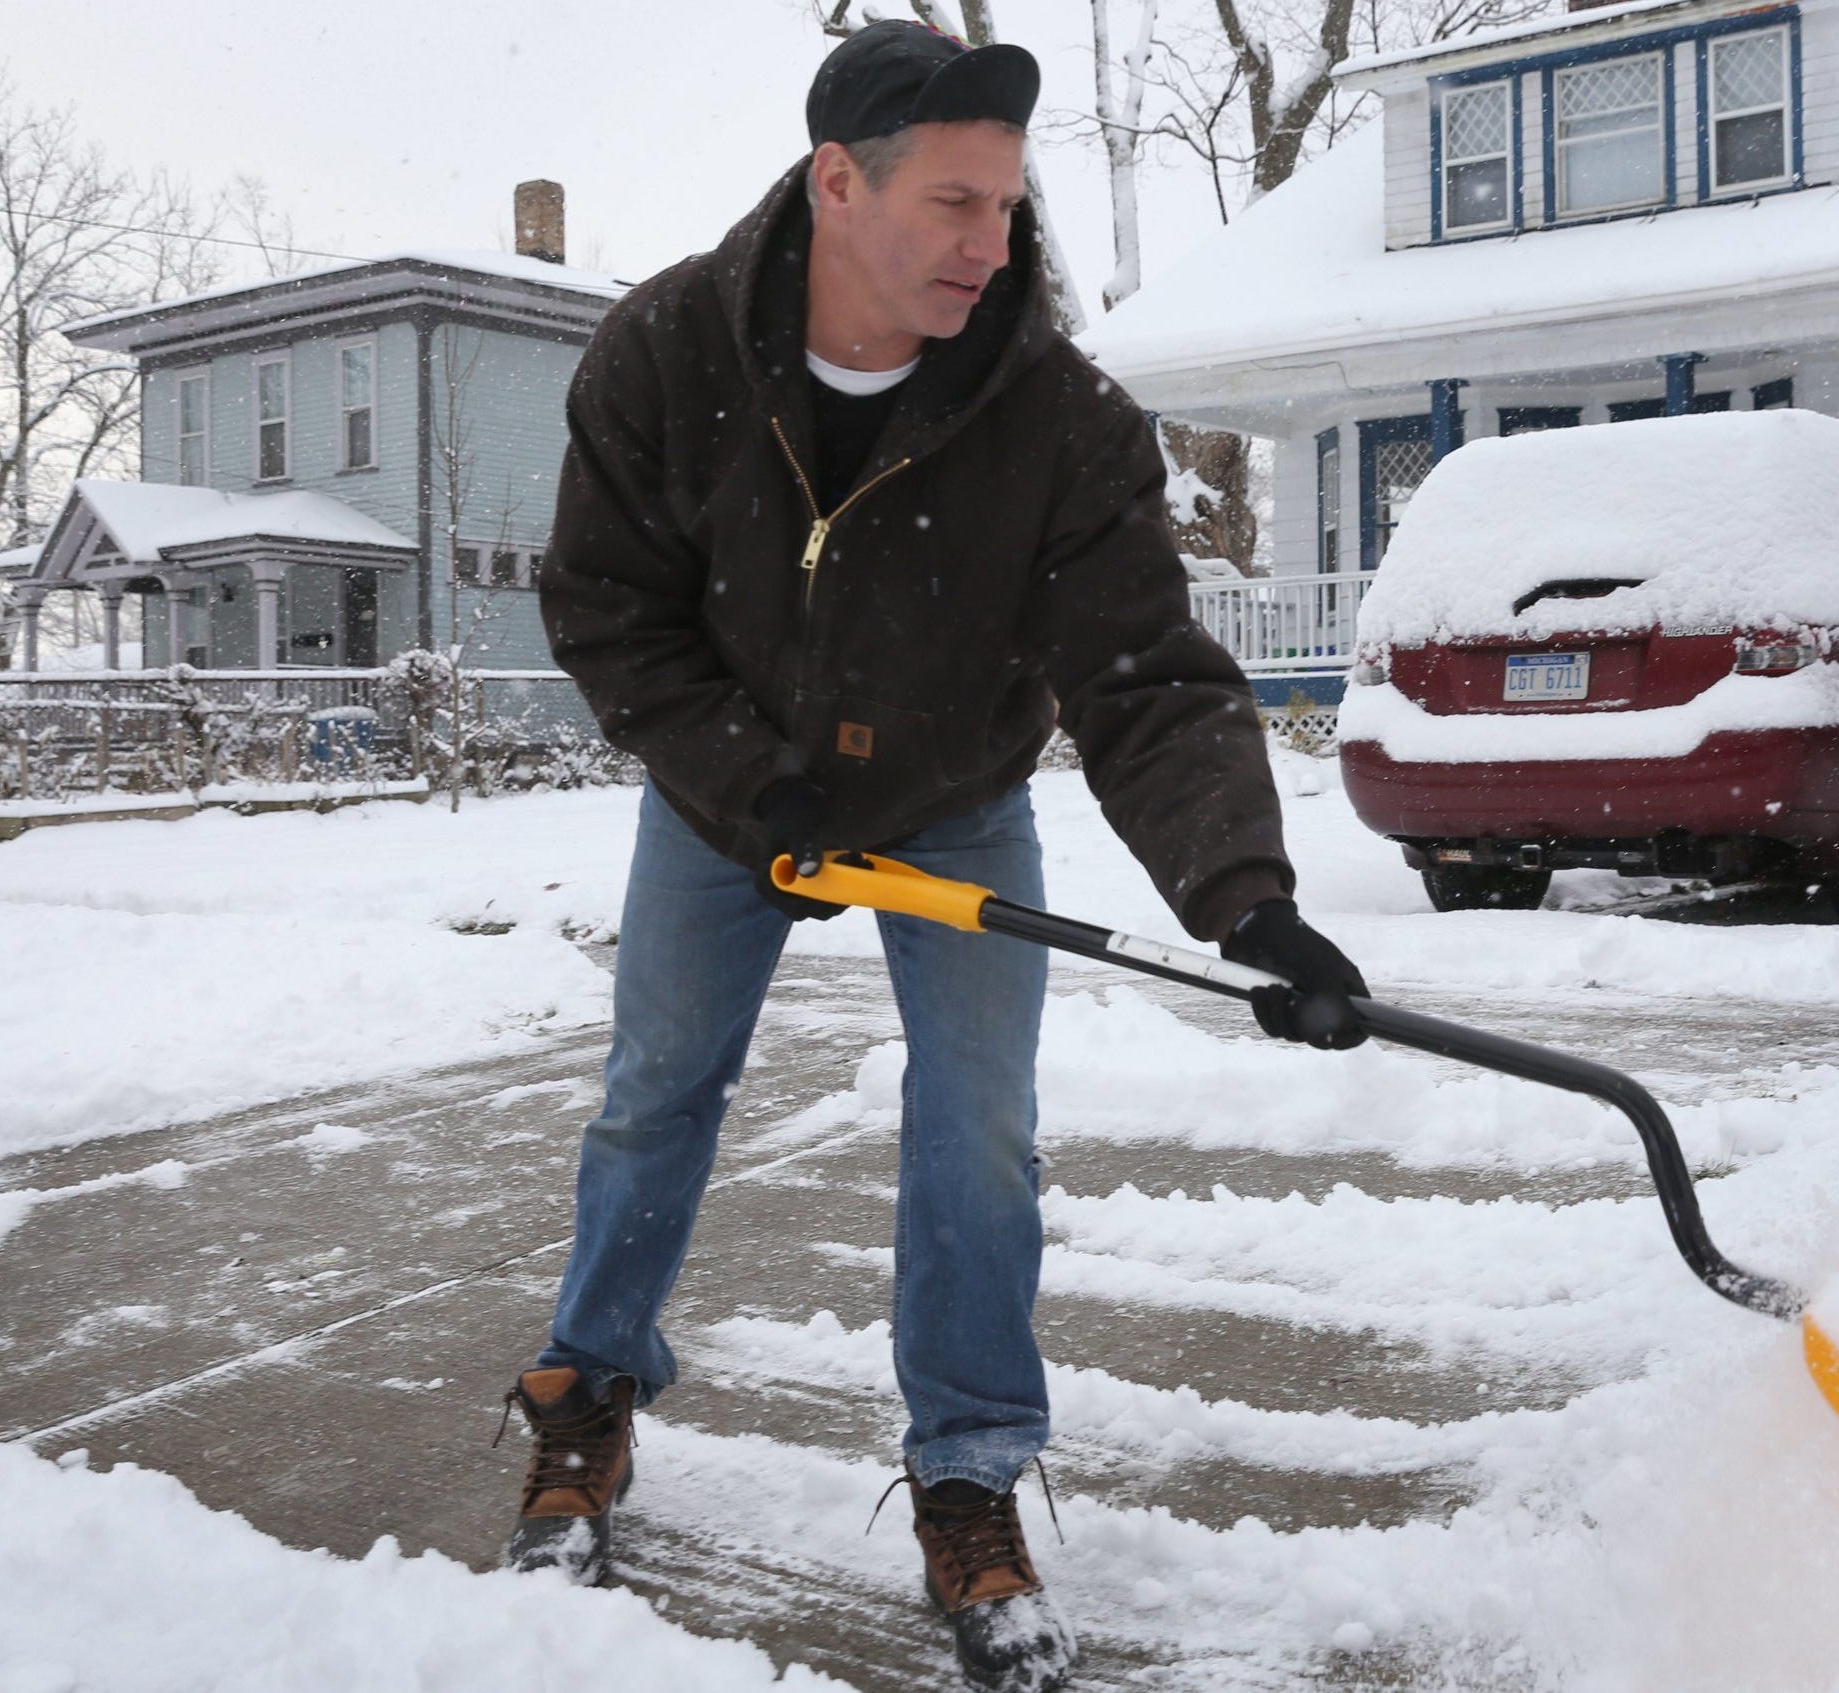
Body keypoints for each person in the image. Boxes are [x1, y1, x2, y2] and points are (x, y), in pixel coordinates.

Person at [503, 23, 1367, 1690]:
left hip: (954, 789)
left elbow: (1141, 673)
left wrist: (1245, 893)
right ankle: (582, 1399)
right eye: (956, 202)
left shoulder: (1051, 414)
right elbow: (609, 611)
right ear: (840, 181)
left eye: (1009, 202)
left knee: (979, 1132)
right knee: (657, 1088)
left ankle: (969, 1474)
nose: (995, 243)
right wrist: (756, 789)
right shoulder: (667, 354)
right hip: (726, 798)